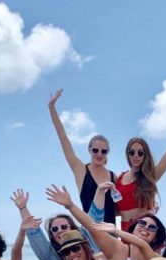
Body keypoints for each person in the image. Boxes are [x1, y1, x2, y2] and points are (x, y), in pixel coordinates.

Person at [108, 107, 166, 223]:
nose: (136, 156)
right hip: (124, 231)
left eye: (140, 153)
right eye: (132, 152)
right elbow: (115, 209)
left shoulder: (150, 176)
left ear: (145, 155)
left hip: (144, 228)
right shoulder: (118, 179)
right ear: (127, 154)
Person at [48, 88, 118, 223]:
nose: (99, 154)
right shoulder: (80, 170)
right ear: (89, 150)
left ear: (107, 152)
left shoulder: (113, 176)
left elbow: (116, 208)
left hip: (111, 234)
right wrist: (52, 107)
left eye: (103, 151)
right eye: (95, 150)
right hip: (91, 231)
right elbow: (63, 138)